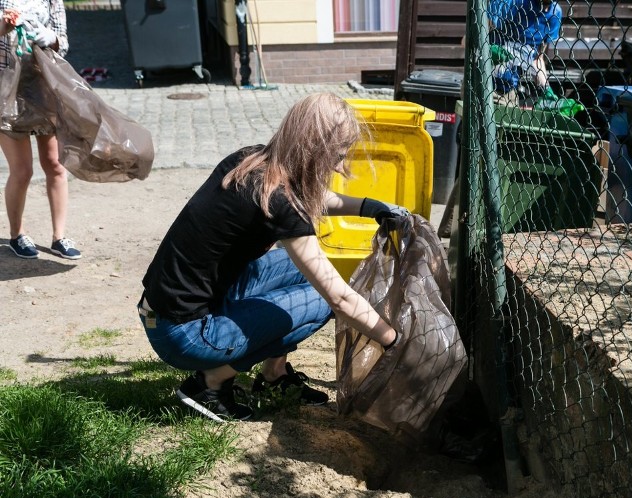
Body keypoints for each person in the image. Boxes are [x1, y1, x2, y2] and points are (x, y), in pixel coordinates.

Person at [138, 92, 407, 422]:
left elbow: (314, 196)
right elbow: (339, 299)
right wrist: (393, 341)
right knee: (323, 300)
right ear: (315, 149)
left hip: (163, 310)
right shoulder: (283, 203)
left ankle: (273, 377)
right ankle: (210, 383)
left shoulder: (251, 159)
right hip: (184, 335)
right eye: (337, 154)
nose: (340, 165)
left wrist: (367, 207)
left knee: (294, 269)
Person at [0, 1, 80, 260]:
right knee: (22, 171)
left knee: (55, 164)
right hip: (6, 89)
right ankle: (17, 234)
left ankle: (59, 237)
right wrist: (4, 25)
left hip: (43, 86)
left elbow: (63, 43)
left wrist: (51, 38)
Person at [487, 0, 563, 102]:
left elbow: (537, 59)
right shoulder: (510, 3)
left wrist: (546, 88)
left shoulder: (554, 14)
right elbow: (467, 39)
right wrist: (488, 50)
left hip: (508, 90)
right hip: (482, 81)